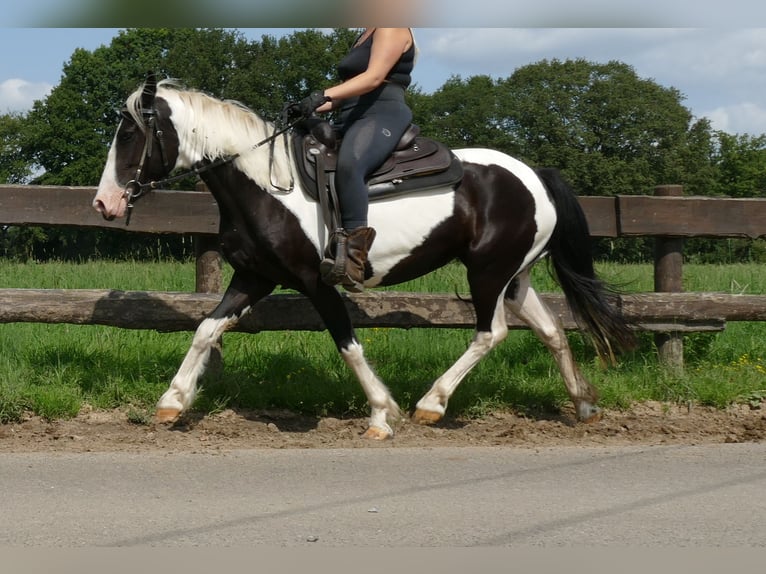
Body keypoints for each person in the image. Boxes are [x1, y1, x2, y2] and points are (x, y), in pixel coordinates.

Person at [297, 27, 417, 292]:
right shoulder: (364, 33)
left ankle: (353, 260)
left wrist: (325, 93)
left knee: (351, 163)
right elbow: (346, 94)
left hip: (381, 113)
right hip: (351, 115)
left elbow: (373, 78)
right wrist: (309, 105)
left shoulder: (391, 26)